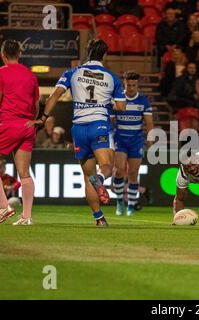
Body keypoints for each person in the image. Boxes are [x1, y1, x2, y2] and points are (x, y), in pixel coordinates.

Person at [28, 40, 126, 227]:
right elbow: (121, 106)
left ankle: (99, 218)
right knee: (105, 167)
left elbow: (54, 96)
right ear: (104, 55)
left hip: (79, 129)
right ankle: (100, 179)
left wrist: (43, 118)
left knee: (86, 176)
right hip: (99, 124)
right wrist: (106, 103)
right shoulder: (112, 77)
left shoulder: (72, 73)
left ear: (87, 53)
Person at [0, 39, 38, 225]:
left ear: (2, 55)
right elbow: (36, 105)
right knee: (24, 173)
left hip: (10, 125)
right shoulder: (30, 75)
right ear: (19, 54)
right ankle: (26, 217)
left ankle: (4, 206)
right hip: (28, 126)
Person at [111, 72, 153, 216]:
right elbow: (110, 120)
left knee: (133, 174)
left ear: (137, 85)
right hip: (120, 139)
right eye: (129, 85)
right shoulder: (118, 99)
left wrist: (150, 137)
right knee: (119, 171)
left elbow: (149, 123)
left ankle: (131, 205)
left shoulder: (143, 101)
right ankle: (119, 202)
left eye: (134, 85)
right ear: (124, 84)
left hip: (136, 140)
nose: (131, 88)